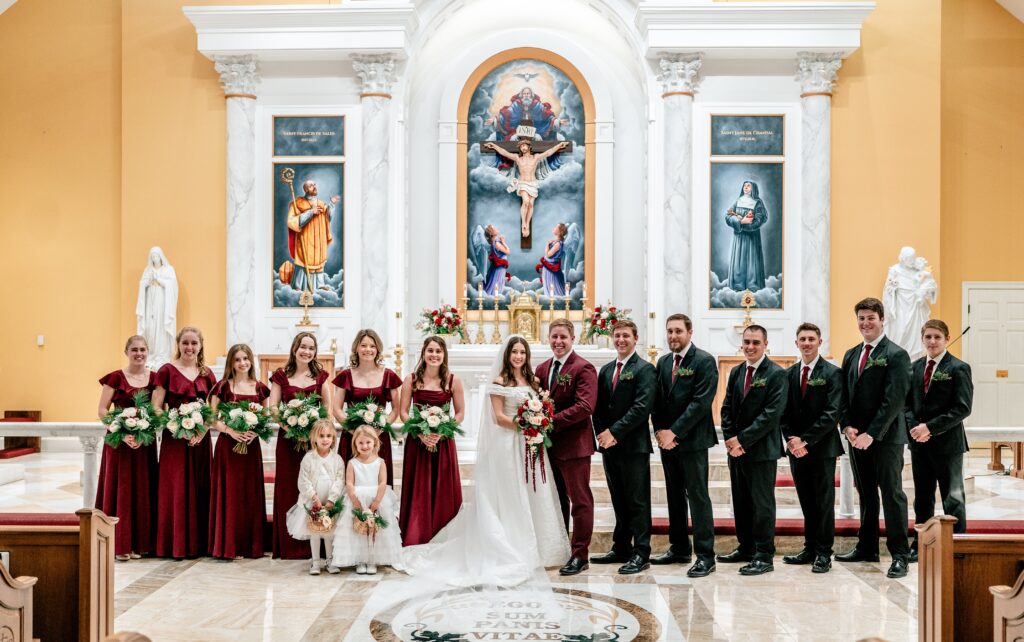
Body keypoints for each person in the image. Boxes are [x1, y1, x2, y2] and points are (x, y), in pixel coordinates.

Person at [401, 336, 570, 586]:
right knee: (511, 494)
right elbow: (499, 417)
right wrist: (528, 424)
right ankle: (510, 546)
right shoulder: (499, 381)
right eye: (514, 352)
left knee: (534, 492)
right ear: (507, 354)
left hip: (530, 445)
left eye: (523, 352)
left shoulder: (534, 381)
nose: (519, 356)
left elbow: (541, 408)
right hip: (509, 444)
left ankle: (540, 550)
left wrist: (538, 423)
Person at [836, 297, 913, 579]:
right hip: (856, 438)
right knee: (866, 494)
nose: (866, 323)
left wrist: (872, 433)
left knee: (892, 495)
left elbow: (894, 400)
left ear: (882, 320)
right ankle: (867, 546)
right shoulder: (852, 354)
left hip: (886, 438)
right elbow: (843, 395)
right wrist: (846, 426)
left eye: (871, 318)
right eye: (861, 318)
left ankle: (900, 555)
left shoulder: (896, 354)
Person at [650, 314, 719, 578]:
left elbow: (701, 403)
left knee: (698, 497)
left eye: (678, 331)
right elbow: (657, 400)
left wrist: (675, 432)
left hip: (693, 441)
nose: (672, 336)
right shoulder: (664, 361)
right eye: (669, 331)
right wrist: (659, 430)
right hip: (668, 443)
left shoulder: (703, 361)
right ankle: (679, 547)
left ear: (690, 332)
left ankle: (705, 555)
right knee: (674, 495)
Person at [717, 325, 787, 576]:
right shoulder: (736, 372)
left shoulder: (777, 374)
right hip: (736, 450)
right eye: (746, 342)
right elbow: (726, 408)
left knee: (762, 504)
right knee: (741, 502)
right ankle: (745, 547)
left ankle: (764, 554)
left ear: (765, 344)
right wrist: (729, 438)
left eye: (755, 342)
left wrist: (742, 440)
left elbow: (771, 415)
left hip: (761, 450)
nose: (750, 347)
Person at [591, 320, 657, 575]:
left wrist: (614, 433)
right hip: (610, 447)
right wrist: (601, 434)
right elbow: (598, 409)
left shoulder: (644, 369)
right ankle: (621, 547)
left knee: (637, 501)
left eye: (626, 336)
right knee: (618, 499)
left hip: (633, 446)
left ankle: (641, 552)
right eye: (617, 335)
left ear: (635, 338)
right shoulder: (607, 370)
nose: (621, 340)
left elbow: (642, 408)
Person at [906, 319, 973, 561]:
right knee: (922, 497)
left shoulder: (958, 368)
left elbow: (963, 408)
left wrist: (930, 428)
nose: (932, 341)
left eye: (937, 337)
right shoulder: (914, 369)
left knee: (952, 496)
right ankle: (921, 542)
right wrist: (915, 428)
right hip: (919, 445)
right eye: (928, 337)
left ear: (946, 338)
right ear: (922, 339)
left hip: (947, 445)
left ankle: (956, 545)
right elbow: (907, 405)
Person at [535, 319, 598, 576]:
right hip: (548, 448)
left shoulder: (584, 368)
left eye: (563, 337)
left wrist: (549, 422)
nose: (558, 342)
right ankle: (561, 549)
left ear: (573, 339)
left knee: (580, 501)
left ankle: (580, 554)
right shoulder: (541, 368)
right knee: (556, 500)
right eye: (554, 337)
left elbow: (586, 406)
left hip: (574, 447)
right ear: (548, 339)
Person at [779, 323, 844, 573]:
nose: (806, 343)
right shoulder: (789, 374)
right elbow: (783, 412)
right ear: (796, 344)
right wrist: (791, 439)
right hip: (796, 448)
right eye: (802, 339)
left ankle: (824, 552)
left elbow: (831, 413)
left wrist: (805, 439)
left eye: (811, 339)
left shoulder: (832, 373)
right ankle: (809, 548)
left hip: (822, 447)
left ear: (820, 342)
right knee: (806, 500)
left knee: (823, 501)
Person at [152, 326, 218, 559]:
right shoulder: (167, 371)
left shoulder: (207, 374)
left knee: (202, 486)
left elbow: (213, 410)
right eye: (185, 343)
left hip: (200, 439)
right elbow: (156, 406)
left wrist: (202, 430)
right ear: (178, 344)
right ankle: (175, 544)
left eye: (194, 343)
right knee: (176, 489)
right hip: (175, 441)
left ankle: (201, 545)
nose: (189, 348)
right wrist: (176, 425)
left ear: (201, 346)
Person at [270, 332, 332, 560]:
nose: (307, 351)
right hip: (288, 442)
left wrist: (315, 435)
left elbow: (327, 408)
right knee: (289, 488)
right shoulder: (280, 376)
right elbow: (274, 408)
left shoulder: (321, 376)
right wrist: (290, 428)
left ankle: (316, 546)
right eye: (303, 347)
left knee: (316, 490)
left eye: (311, 348)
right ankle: (289, 545)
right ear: (294, 348)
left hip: (316, 445)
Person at [398, 336, 466, 546]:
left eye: (438, 351)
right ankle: (417, 534)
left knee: (443, 490)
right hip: (418, 443)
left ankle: (443, 536)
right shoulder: (411, 379)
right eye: (430, 350)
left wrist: (443, 432)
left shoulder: (453, 380)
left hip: (443, 442)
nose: (434, 355)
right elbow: (403, 413)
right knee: (418, 489)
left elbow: (461, 412)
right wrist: (420, 433)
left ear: (444, 355)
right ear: (423, 353)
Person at [95, 335, 157, 561]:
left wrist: (143, 432)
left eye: (142, 349)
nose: (138, 353)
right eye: (134, 349)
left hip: (143, 443)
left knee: (142, 489)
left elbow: (159, 409)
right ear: (126, 352)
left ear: (147, 351)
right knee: (120, 488)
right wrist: (121, 431)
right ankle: (120, 543)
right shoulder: (115, 378)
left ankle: (141, 543)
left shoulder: (155, 379)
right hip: (119, 443)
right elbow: (102, 410)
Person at [208, 344, 270, 560]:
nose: (242, 363)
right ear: (231, 363)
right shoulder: (223, 386)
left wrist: (256, 432)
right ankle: (229, 546)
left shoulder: (260, 387)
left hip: (251, 448)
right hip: (229, 447)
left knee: (249, 493)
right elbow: (212, 418)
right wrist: (230, 431)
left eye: (246, 358)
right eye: (237, 359)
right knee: (231, 494)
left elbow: (266, 416)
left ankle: (250, 546)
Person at [331, 329, 402, 485]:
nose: (368, 350)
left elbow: (396, 409)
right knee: (350, 483)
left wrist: (378, 431)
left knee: (377, 483)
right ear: (356, 347)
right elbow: (336, 408)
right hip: (351, 437)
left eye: (372, 346)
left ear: (378, 349)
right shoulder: (346, 375)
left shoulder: (388, 375)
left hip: (378, 438)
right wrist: (354, 431)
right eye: (363, 345)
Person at [334, 426, 403, 574]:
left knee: (375, 530)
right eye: (361, 443)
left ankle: (372, 559)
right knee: (358, 530)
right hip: (357, 500)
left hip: (376, 499)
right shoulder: (352, 463)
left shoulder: (380, 462)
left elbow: (383, 482)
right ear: (355, 444)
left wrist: (377, 501)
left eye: (368, 442)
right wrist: (355, 502)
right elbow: (349, 483)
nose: (364, 446)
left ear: (375, 442)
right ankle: (360, 560)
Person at [285, 419, 345, 575]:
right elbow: (303, 481)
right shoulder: (308, 458)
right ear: (314, 438)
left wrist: (332, 499)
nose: (325, 439)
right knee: (315, 531)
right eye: (321, 436)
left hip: (330, 501)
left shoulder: (337, 459)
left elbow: (339, 481)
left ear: (333, 439)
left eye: (329, 436)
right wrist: (314, 498)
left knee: (329, 532)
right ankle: (316, 562)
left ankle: (331, 561)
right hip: (313, 502)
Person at [484, 139, 570, 239]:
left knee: (531, 205)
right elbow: (504, 152)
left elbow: (548, 152)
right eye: (521, 147)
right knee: (526, 201)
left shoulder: (536, 157)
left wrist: (559, 145)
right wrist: (494, 146)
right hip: (523, 183)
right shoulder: (518, 158)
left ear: (529, 147)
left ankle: (527, 225)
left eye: (524, 146)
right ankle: (524, 224)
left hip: (533, 183)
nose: (522, 148)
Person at [287, 179, 340, 293]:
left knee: (319, 260)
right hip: (306, 238)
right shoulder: (297, 204)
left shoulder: (321, 204)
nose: (314, 187)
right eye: (311, 186)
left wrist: (331, 205)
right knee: (303, 261)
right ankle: (299, 286)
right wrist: (310, 212)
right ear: (306, 190)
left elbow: (328, 218)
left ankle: (320, 285)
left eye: (314, 185)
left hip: (319, 239)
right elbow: (291, 221)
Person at [135, 247, 177, 368]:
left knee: (161, 329)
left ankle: (162, 355)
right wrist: (147, 282)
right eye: (152, 256)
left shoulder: (168, 270)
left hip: (163, 304)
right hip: (150, 304)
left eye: (156, 256)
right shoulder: (147, 270)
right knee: (150, 327)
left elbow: (172, 286)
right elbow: (142, 284)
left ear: (161, 257)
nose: (154, 258)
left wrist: (159, 279)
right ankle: (151, 354)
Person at [725, 181, 768, 292]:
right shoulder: (738, 201)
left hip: (752, 238)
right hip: (739, 238)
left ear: (753, 188)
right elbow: (728, 215)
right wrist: (738, 221)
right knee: (739, 260)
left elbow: (760, 219)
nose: (746, 187)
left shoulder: (757, 202)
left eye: (748, 185)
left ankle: (752, 285)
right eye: (744, 185)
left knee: (751, 260)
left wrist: (744, 224)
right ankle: (737, 285)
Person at [536, 223, 568, 296]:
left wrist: (547, 244)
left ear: (560, 232)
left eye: (556, 227)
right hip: (548, 268)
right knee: (548, 287)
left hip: (551, 270)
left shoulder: (558, 244)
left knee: (552, 288)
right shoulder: (555, 242)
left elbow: (548, 254)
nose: (554, 228)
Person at [483, 225, 511, 296]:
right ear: (491, 233)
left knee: (496, 284)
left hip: (498, 268)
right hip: (499, 268)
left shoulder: (493, 242)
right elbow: (508, 251)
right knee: (498, 285)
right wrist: (504, 242)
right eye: (494, 228)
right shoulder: (497, 243)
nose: (496, 227)